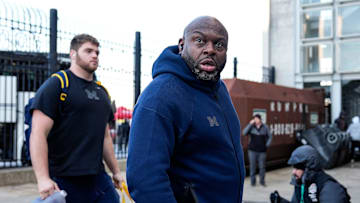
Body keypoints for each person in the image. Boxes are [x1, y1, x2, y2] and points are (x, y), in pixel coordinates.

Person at [126, 16, 245, 203]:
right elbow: (144, 181)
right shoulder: (160, 95)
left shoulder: (219, 89)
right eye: (199, 41)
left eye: (219, 45)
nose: (210, 49)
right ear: (182, 45)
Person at [30, 34, 122, 203]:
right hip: (63, 179)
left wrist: (115, 171)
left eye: (97, 52)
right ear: (73, 54)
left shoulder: (102, 93)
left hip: (98, 179)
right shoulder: (58, 84)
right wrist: (43, 178)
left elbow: (105, 135)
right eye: (88, 51)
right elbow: (38, 133)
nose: (94, 55)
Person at [270, 145, 350, 203]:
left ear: (310, 167)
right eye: (294, 167)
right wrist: (280, 201)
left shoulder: (330, 189)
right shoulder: (301, 184)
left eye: (298, 167)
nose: (293, 172)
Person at [243, 114, 272, 186]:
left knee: (262, 167)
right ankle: (253, 182)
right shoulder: (251, 127)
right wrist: (250, 124)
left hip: (262, 151)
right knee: (252, 167)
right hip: (252, 150)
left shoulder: (265, 127)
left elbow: (270, 137)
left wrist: (266, 145)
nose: (255, 120)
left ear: (260, 119)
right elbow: (244, 132)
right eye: (254, 119)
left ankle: (262, 181)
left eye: (256, 119)